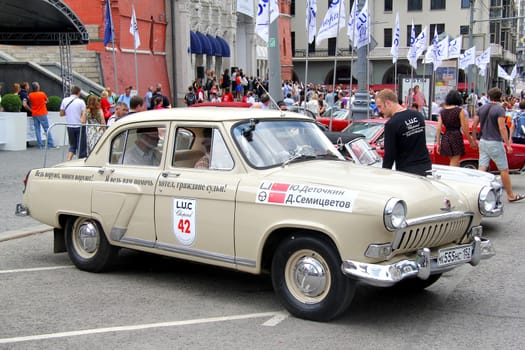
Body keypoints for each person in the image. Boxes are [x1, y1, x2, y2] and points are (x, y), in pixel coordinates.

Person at [472, 87, 524, 202]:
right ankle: (510, 195)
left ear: (489, 96)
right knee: (503, 169)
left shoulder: (481, 108)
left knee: (482, 167)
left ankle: (475, 193)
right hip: (495, 141)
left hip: (483, 141)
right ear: (500, 97)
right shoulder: (499, 110)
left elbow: (475, 125)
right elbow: (502, 127)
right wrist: (508, 144)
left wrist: (474, 139)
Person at [375, 89, 432, 176]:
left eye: (380, 106)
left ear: (388, 103)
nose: (379, 111)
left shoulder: (391, 124)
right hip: (425, 165)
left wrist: (384, 174)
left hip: (407, 170)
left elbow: (389, 155)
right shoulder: (418, 115)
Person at [435, 90, 476, 166]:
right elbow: (464, 129)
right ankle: (451, 177)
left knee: (455, 161)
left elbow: (438, 128)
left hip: (445, 136)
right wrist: (470, 141)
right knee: (454, 162)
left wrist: (438, 143)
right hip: (456, 136)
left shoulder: (442, 112)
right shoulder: (460, 111)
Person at [60, 85, 87, 160]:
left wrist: (69, 113)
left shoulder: (64, 100)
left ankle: (69, 159)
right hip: (79, 125)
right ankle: (81, 160)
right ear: (78, 93)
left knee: (72, 145)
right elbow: (84, 113)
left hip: (70, 125)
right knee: (81, 145)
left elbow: (61, 114)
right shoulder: (81, 102)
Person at [28, 81, 57, 149]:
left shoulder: (30, 95)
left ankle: (40, 145)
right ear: (38, 87)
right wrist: (43, 102)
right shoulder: (42, 94)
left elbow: (30, 102)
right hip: (42, 113)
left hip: (34, 113)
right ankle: (50, 144)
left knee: (37, 129)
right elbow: (47, 101)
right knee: (46, 128)